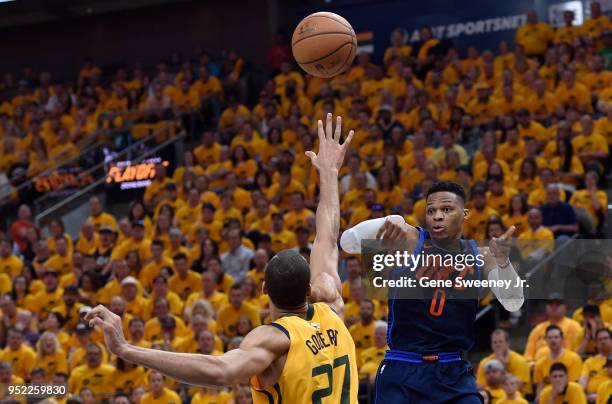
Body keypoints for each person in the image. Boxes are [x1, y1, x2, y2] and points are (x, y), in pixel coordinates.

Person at [86, 114, 358, 402]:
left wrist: (126, 349)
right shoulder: (332, 307)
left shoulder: (274, 340)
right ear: (309, 290)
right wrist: (329, 173)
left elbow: (219, 371)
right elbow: (327, 236)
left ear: (263, 289)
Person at [340, 179, 524, 402]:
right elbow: (347, 242)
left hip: (452, 371)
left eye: (446, 209)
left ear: (465, 214)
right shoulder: (409, 239)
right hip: (403, 367)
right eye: (431, 210)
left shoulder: (481, 255)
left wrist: (504, 264)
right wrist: (385, 224)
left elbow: (514, 302)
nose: (437, 216)